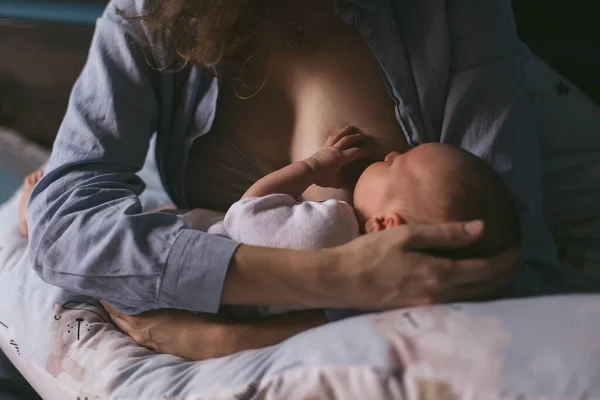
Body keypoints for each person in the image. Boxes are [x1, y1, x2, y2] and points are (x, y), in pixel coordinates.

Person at [26, 0, 562, 360]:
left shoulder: (450, 14)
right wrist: (336, 278)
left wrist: (228, 338)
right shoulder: (153, 15)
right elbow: (65, 230)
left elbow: (507, 264)